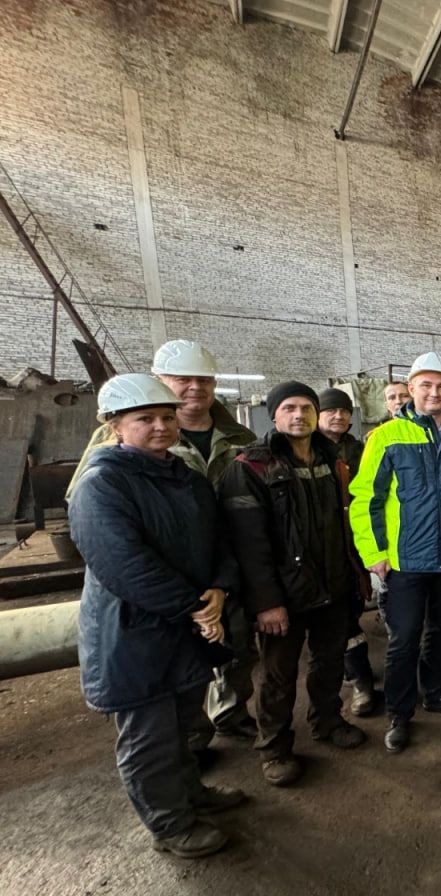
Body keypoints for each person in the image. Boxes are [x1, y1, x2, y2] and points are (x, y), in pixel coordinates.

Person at [69, 374, 245, 859]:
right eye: (144, 418)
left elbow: (220, 542)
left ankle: (191, 797)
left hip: (185, 629)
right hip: (132, 633)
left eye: (167, 417)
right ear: (115, 426)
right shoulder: (101, 485)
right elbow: (125, 566)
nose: (161, 426)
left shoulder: (187, 480)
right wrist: (195, 606)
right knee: (150, 737)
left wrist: (220, 588)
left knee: (184, 724)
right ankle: (170, 826)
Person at [69, 339, 257, 748]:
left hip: (226, 562)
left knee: (237, 644)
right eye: (183, 379)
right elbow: (92, 517)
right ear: (159, 380)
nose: (195, 387)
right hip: (165, 579)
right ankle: (192, 737)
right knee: (176, 665)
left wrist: (224, 580)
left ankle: (230, 712)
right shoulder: (114, 450)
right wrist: (188, 599)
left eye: (204, 379)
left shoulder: (239, 436)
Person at [349, 352, 441, 753]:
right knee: (404, 639)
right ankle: (399, 714)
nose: (434, 392)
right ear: (411, 388)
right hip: (406, 562)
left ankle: (436, 693)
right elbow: (366, 500)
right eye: (426, 385)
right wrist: (374, 552)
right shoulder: (387, 437)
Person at [219, 382, 368, 786]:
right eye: (289, 408)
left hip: (333, 584)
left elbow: (347, 524)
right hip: (284, 594)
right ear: (274, 415)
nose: (299, 415)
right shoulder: (251, 467)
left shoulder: (333, 461)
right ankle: (274, 747)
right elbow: (248, 545)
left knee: (329, 661)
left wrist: (355, 576)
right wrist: (266, 602)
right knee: (278, 675)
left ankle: (327, 721)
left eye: (306, 407)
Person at [316, 387, 377, 718]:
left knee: (349, 612)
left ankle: (361, 681)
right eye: (330, 411)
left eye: (343, 411)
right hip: (315, 545)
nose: (337, 416)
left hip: (352, 543)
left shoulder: (359, 450)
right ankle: (349, 677)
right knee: (326, 620)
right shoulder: (305, 450)